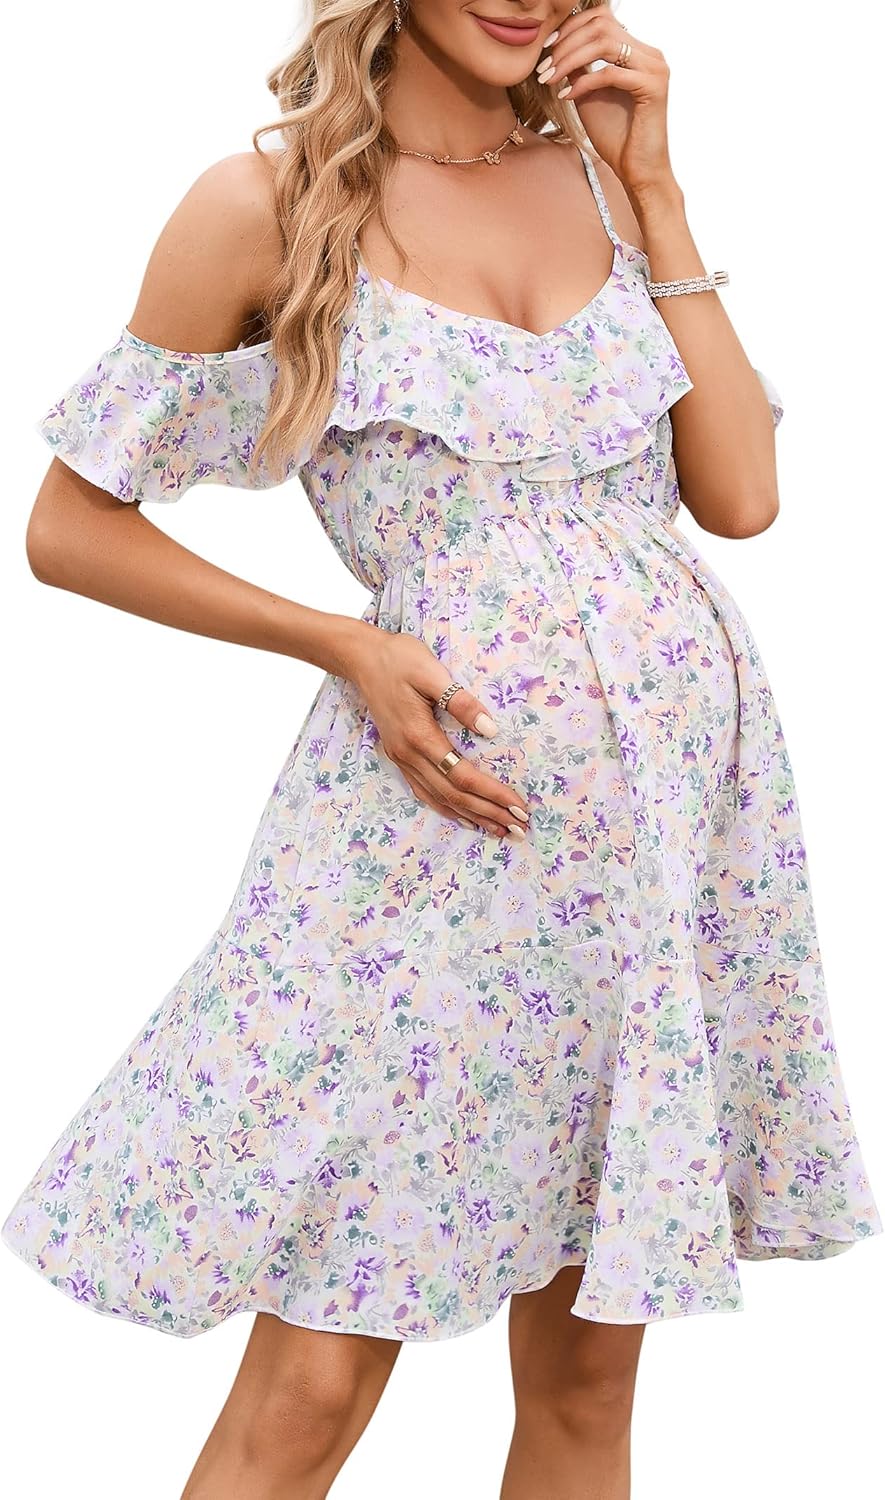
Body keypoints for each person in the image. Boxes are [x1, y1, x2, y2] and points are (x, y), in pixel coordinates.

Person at [3, 3, 882, 1498]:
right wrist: (343, 642)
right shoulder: (264, 203)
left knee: (590, 1373)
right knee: (315, 1380)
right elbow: (70, 529)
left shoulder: (607, 183)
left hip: (661, 844)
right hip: (430, 838)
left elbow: (739, 497)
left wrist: (656, 185)